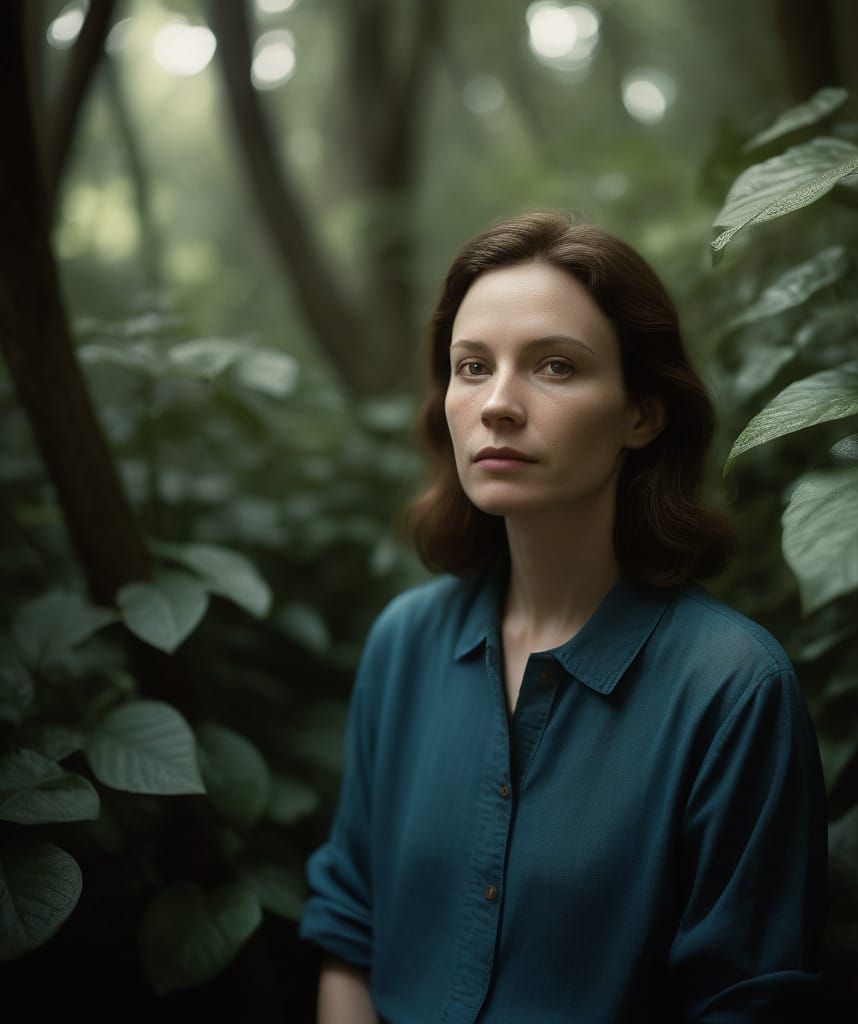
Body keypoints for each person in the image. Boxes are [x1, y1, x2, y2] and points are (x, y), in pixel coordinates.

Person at [299, 211, 827, 1023]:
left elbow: (745, 1002)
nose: (498, 405)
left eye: (555, 365)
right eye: (472, 367)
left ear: (642, 414)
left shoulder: (732, 689)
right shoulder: (403, 643)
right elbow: (350, 928)